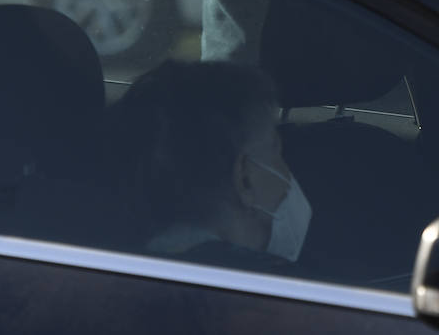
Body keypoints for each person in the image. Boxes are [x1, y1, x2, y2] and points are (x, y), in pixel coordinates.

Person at [107, 60, 312, 273]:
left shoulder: (107, 268)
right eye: (276, 153)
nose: (288, 175)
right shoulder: (285, 294)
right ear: (244, 178)